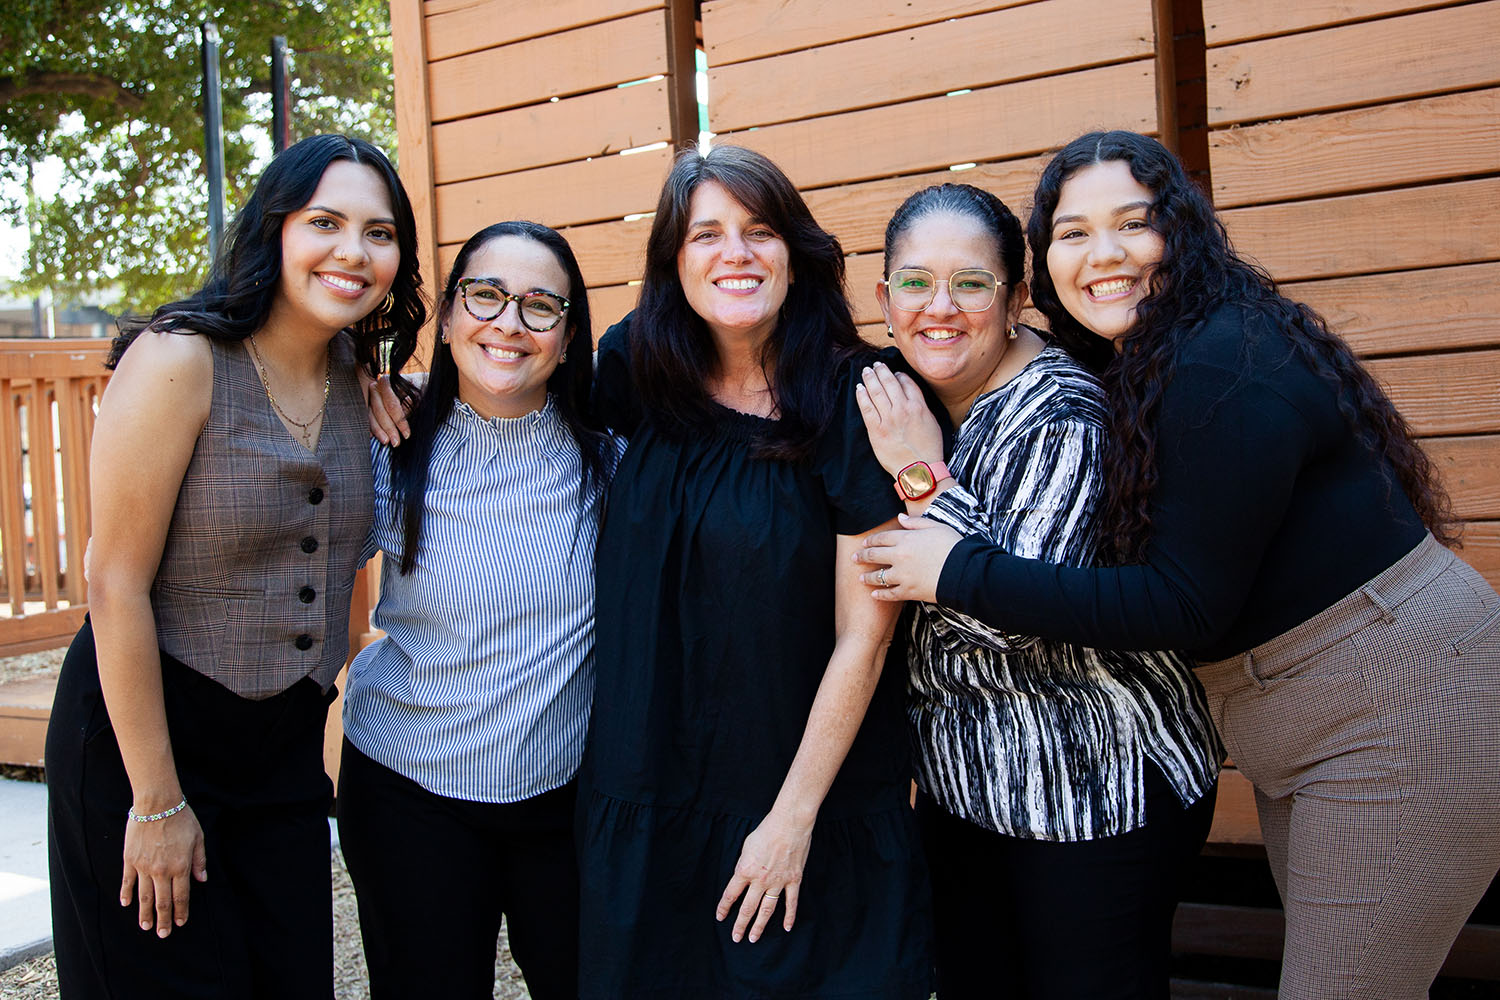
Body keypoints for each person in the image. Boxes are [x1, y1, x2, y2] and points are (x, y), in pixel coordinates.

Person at [857, 130, 1500, 1000]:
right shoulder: (1152, 359)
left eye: (1134, 222)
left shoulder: (1219, 361)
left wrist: (949, 561)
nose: (1105, 253)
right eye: (1075, 233)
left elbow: (1182, 604)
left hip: (1398, 705)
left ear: (1184, 231)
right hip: (1293, 721)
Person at [46, 134, 422, 999]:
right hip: (147, 735)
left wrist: (378, 372)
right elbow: (113, 582)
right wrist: (156, 800)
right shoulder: (181, 360)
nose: (353, 252)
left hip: (285, 755)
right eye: (325, 222)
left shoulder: (357, 375)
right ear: (275, 228)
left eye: (380, 232)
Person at [578, 145, 932, 998]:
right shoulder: (636, 369)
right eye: (707, 235)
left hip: (805, 804)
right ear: (675, 262)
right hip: (647, 792)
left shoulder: (857, 400)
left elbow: (865, 636)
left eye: (759, 230)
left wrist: (791, 820)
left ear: (794, 254)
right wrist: (401, 391)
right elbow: (502, 393)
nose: (734, 252)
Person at [851, 182, 1219, 999]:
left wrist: (919, 474)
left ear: (1016, 297)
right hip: (966, 788)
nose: (938, 307)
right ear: (883, 298)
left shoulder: (1059, 413)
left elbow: (1016, 624)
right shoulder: (900, 395)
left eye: (971, 283)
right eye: (914, 282)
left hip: (1096, 787)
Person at [336, 220, 618, 1000]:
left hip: (565, 797)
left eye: (539, 307)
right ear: (452, 316)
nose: (508, 323)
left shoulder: (614, 459)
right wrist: (353, 378)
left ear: (567, 336)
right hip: (407, 787)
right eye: (486, 296)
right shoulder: (386, 442)